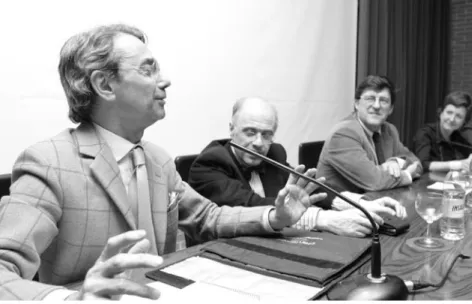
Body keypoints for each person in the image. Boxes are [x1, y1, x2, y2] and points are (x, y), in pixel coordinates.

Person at [0, 24, 322, 301]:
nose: (165, 81)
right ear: (105, 85)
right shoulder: (48, 162)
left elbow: (208, 218)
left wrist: (274, 217)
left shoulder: (158, 159)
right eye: (148, 69)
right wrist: (71, 299)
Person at [188, 97, 407, 239]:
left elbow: (307, 189)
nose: (258, 143)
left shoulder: (274, 153)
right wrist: (326, 220)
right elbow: (255, 206)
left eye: (266, 134)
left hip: (273, 243)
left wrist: (360, 203)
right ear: (231, 130)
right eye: (249, 132)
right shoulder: (208, 165)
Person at [316, 75, 423, 193]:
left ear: (391, 108)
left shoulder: (389, 130)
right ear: (356, 104)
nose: (377, 106)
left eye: (383, 100)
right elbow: (375, 181)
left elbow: (416, 163)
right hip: (344, 207)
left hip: (379, 200)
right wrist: (407, 175)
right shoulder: (343, 134)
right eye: (370, 98)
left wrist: (395, 162)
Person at [413, 91, 472, 172]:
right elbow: (423, 164)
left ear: (464, 122)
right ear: (441, 113)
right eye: (449, 113)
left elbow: (471, 155)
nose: (452, 119)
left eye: (458, 116)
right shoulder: (425, 133)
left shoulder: (457, 137)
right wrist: (457, 164)